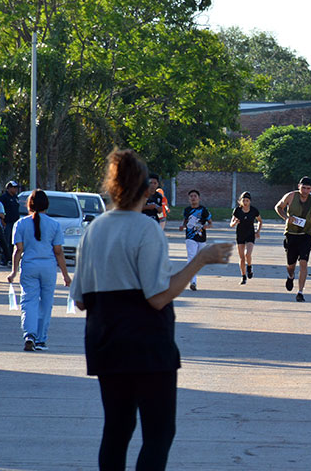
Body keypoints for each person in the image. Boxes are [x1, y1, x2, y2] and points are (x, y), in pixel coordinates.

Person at [70, 148, 232, 470]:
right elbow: (158, 297)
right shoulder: (146, 229)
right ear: (147, 190)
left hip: (105, 343)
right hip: (147, 347)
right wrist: (200, 260)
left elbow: (80, 300)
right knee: (159, 432)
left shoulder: (94, 230)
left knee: (116, 429)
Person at [6, 190, 72, 351]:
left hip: (29, 266)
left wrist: (13, 272)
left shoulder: (20, 224)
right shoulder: (54, 225)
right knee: (46, 303)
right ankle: (41, 340)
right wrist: (66, 275)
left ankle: (30, 335)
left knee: (29, 301)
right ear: (46, 205)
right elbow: (58, 252)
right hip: (48, 267)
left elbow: (18, 250)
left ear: (29, 205)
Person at [275, 176, 311, 302]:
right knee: (291, 265)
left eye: (308, 189)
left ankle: (300, 292)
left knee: (303, 262)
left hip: (305, 235)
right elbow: (278, 207)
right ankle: (290, 276)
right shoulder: (291, 196)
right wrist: (286, 218)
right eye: (303, 188)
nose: (305, 191)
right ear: (299, 186)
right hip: (291, 234)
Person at [179, 189, 212, 291]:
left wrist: (206, 226)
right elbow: (185, 221)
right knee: (191, 257)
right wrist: (182, 226)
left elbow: (210, 223)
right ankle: (193, 282)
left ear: (199, 198)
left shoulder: (203, 210)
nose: (193, 198)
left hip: (201, 237)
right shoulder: (187, 210)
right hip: (190, 237)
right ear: (189, 199)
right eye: (191, 196)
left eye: (195, 196)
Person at [230, 191, 262, 285]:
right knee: (241, 258)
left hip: (250, 234)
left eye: (247, 201)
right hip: (240, 235)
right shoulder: (237, 210)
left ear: (250, 201)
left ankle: (249, 267)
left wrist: (258, 231)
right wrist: (235, 222)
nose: (245, 202)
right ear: (240, 201)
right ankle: (243, 276)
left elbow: (260, 221)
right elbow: (231, 224)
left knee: (247, 254)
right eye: (243, 200)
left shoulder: (254, 210)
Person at [0, 180, 21, 263]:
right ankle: (4, 259)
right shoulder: (3, 198)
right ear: (9, 188)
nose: (15, 189)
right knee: (6, 241)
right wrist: (2, 221)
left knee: (13, 242)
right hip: (7, 223)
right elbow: (0, 210)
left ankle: (11, 259)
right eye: (14, 188)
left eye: (16, 188)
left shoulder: (16, 197)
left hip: (15, 223)